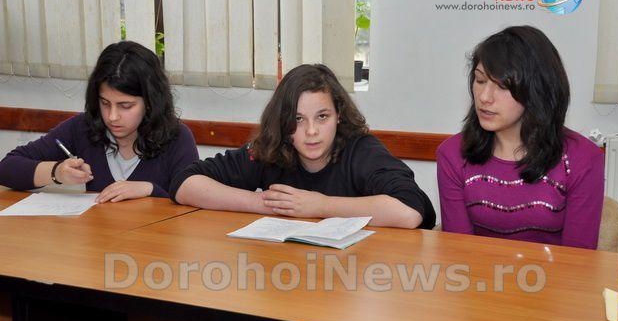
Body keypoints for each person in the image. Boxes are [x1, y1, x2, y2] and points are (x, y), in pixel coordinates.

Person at [170, 64, 435, 229]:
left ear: (339, 115)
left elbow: (410, 211)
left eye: (322, 117)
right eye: (298, 119)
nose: (311, 131)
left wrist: (320, 206)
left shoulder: (361, 150)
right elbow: (184, 183)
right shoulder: (272, 149)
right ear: (283, 122)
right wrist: (266, 203)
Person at [437, 25, 604, 248]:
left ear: (537, 90)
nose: (485, 97)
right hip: (475, 271)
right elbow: (459, 250)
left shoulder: (582, 158)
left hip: (556, 271)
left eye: (502, 86)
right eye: (480, 80)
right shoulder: (453, 154)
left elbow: (579, 258)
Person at [0, 41, 198, 202]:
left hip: (155, 239)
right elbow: (7, 168)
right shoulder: (84, 127)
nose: (112, 116)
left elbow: (193, 201)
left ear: (150, 102)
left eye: (125, 106)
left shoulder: (177, 138)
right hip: (98, 237)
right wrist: (56, 172)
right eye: (105, 103)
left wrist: (149, 189)